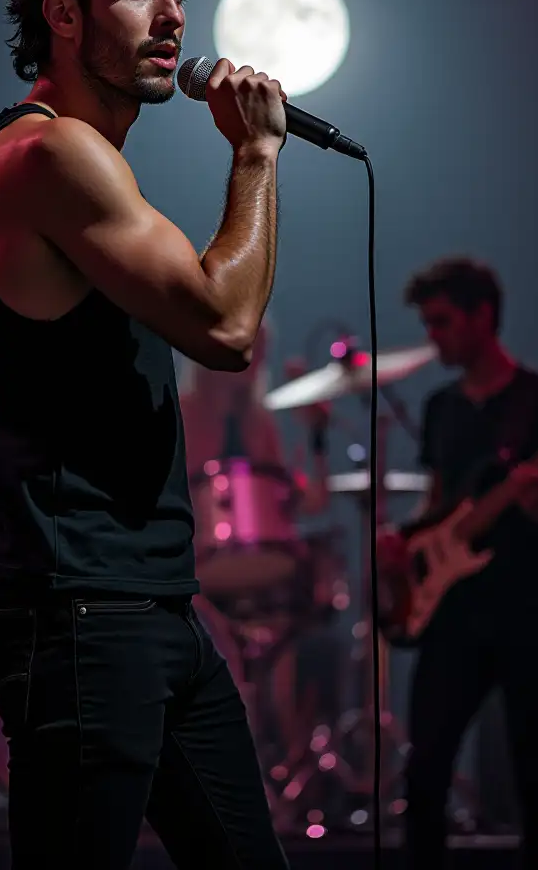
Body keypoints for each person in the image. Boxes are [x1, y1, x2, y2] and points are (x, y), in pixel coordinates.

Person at [0, 0, 299, 870]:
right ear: (64, 13)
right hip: (77, 608)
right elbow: (226, 328)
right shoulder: (46, 157)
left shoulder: (90, 161)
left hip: (146, 603)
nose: (175, 16)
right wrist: (255, 158)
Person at [396, 256, 538, 870]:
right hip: (455, 615)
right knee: (424, 771)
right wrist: (404, 547)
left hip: (531, 610)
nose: (432, 337)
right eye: (428, 323)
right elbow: (438, 507)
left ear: (483, 316)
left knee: (533, 775)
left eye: (442, 322)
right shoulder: (441, 408)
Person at [178, 324, 334, 762]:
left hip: (256, 570)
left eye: (259, 352)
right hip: (193, 567)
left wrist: (316, 437)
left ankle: (281, 760)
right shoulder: (184, 413)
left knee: (285, 635)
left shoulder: (259, 422)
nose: (253, 363)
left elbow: (306, 504)